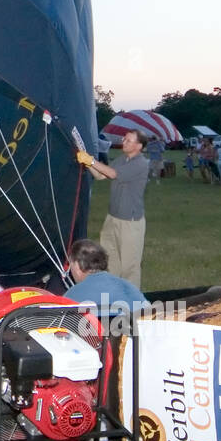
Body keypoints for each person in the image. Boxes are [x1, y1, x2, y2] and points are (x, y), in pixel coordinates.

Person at [76, 129, 148, 288]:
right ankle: (114, 294)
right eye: (124, 139)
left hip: (130, 222)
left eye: (129, 141)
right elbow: (101, 175)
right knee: (110, 259)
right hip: (112, 218)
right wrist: (88, 163)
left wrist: (92, 161)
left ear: (139, 146)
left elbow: (113, 174)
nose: (124, 142)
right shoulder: (123, 159)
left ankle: (132, 303)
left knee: (130, 266)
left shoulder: (141, 163)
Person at [60, 238, 149, 318]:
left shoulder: (71, 296)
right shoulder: (129, 288)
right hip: (129, 334)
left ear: (76, 265)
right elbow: (149, 315)